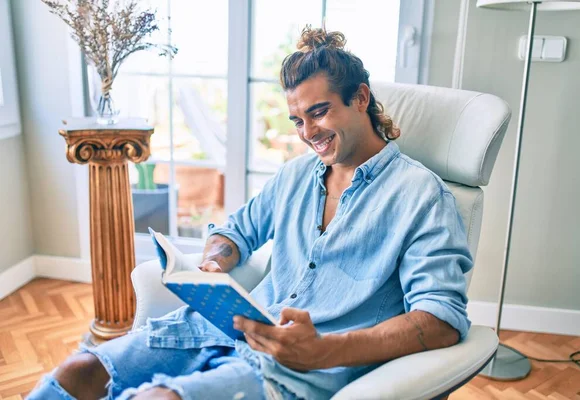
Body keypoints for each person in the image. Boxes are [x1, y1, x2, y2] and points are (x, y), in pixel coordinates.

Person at [28, 26, 473, 400]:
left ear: (360, 98)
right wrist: (213, 262)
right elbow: (234, 231)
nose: (308, 132)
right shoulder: (296, 175)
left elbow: (440, 320)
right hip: (222, 330)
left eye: (319, 112)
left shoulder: (422, 195)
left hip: (298, 371)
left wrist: (325, 350)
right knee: (80, 369)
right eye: (298, 120)